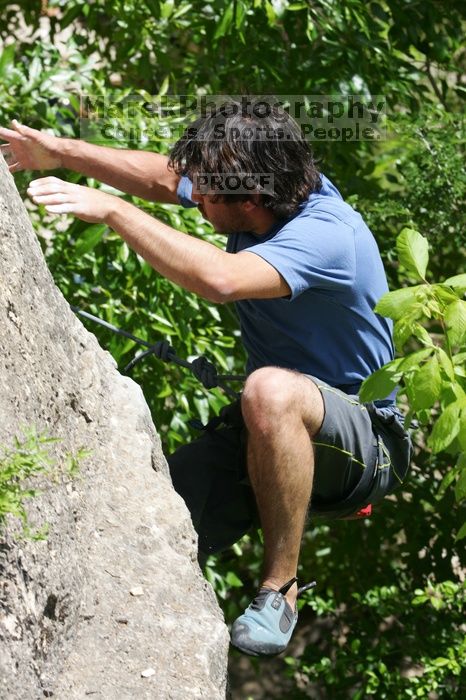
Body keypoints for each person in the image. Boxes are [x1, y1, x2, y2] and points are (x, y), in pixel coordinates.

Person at [0, 102, 411, 657]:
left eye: (206, 192)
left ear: (248, 201)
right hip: (267, 429)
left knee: (268, 389)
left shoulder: (328, 234)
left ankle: (279, 590)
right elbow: (163, 178)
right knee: (137, 530)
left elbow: (220, 279)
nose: (192, 195)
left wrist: (114, 212)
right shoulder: (267, 194)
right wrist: (59, 152)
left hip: (365, 438)